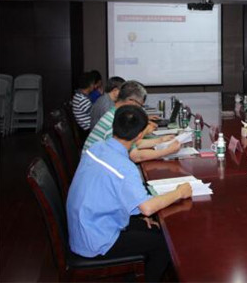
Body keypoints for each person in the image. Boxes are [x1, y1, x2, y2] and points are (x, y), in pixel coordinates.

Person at [67, 105, 192, 282]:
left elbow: (113, 192)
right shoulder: (124, 166)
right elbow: (147, 208)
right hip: (96, 240)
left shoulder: (97, 147)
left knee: (154, 228)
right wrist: (179, 192)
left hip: (84, 225)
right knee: (165, 244)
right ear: (139, 135)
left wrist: (137, 213)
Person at [83, 80, 181, 162]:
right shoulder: (115, 120)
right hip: (96, 168)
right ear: (131, 101)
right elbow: (136, 156)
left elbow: (133, 143)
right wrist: (168, 151)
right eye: (140, 105)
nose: (140, 110)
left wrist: (161, 140)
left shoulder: (116, 113)